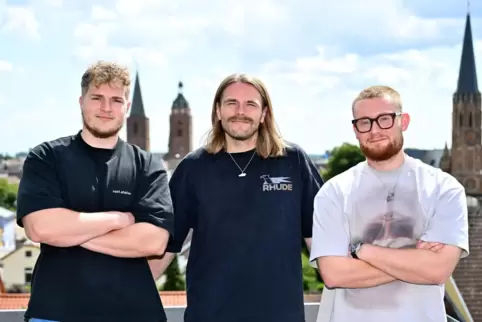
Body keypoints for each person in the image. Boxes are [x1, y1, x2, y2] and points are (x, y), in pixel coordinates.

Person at [148, 73, 323, 322]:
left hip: (280, 315)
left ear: (263, 114)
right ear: (218, 111)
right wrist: (119, 297)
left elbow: (320, 240)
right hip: (209, 315)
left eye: (250, 104)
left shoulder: (292, 162)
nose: (240, 111)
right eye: (231, 103)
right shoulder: (193, 168)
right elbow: (164, 247)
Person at [16, 61, 174, 322]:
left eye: (115, 100)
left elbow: (153, 242)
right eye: (97, 97)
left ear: (127, 107)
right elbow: (41, 228)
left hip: (134, 314)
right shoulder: (46, 157)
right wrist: (118, 220)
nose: (106, 108)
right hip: (56, 313)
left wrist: (69, 232)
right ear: (81, 101)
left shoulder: (148, 166)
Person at [309, 85, 469, 322]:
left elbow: (438, 270)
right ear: (355, 130)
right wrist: (415, 260)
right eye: (364, 122)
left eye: (384, 119)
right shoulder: (333, 192)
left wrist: (360, 251)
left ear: (403, 122)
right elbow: (333, 274)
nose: (374, 130)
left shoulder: (443, 188)